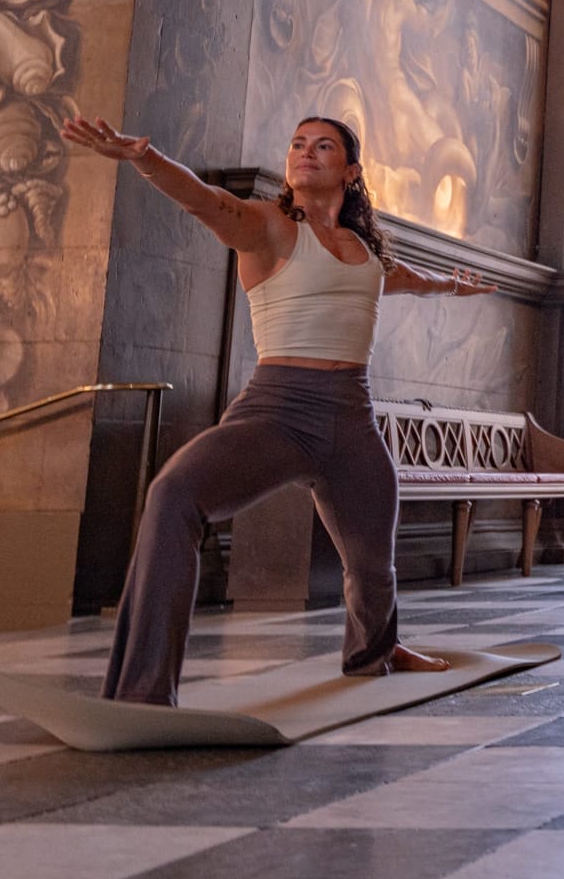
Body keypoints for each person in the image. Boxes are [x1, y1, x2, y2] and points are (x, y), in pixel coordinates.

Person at [62, 114, 493, 706]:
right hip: (278, 411)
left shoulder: (363, 250)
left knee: (372, 561)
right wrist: (145, 157)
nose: (305, 153)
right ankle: (143, 691)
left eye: (323, 146)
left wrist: (452, 286)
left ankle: (375, 651)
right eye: (297, 144)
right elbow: (203, 199)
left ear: (351, 171)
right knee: (173, 496)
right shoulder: (266, 225)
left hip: (352, 417)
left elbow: (406, 279)